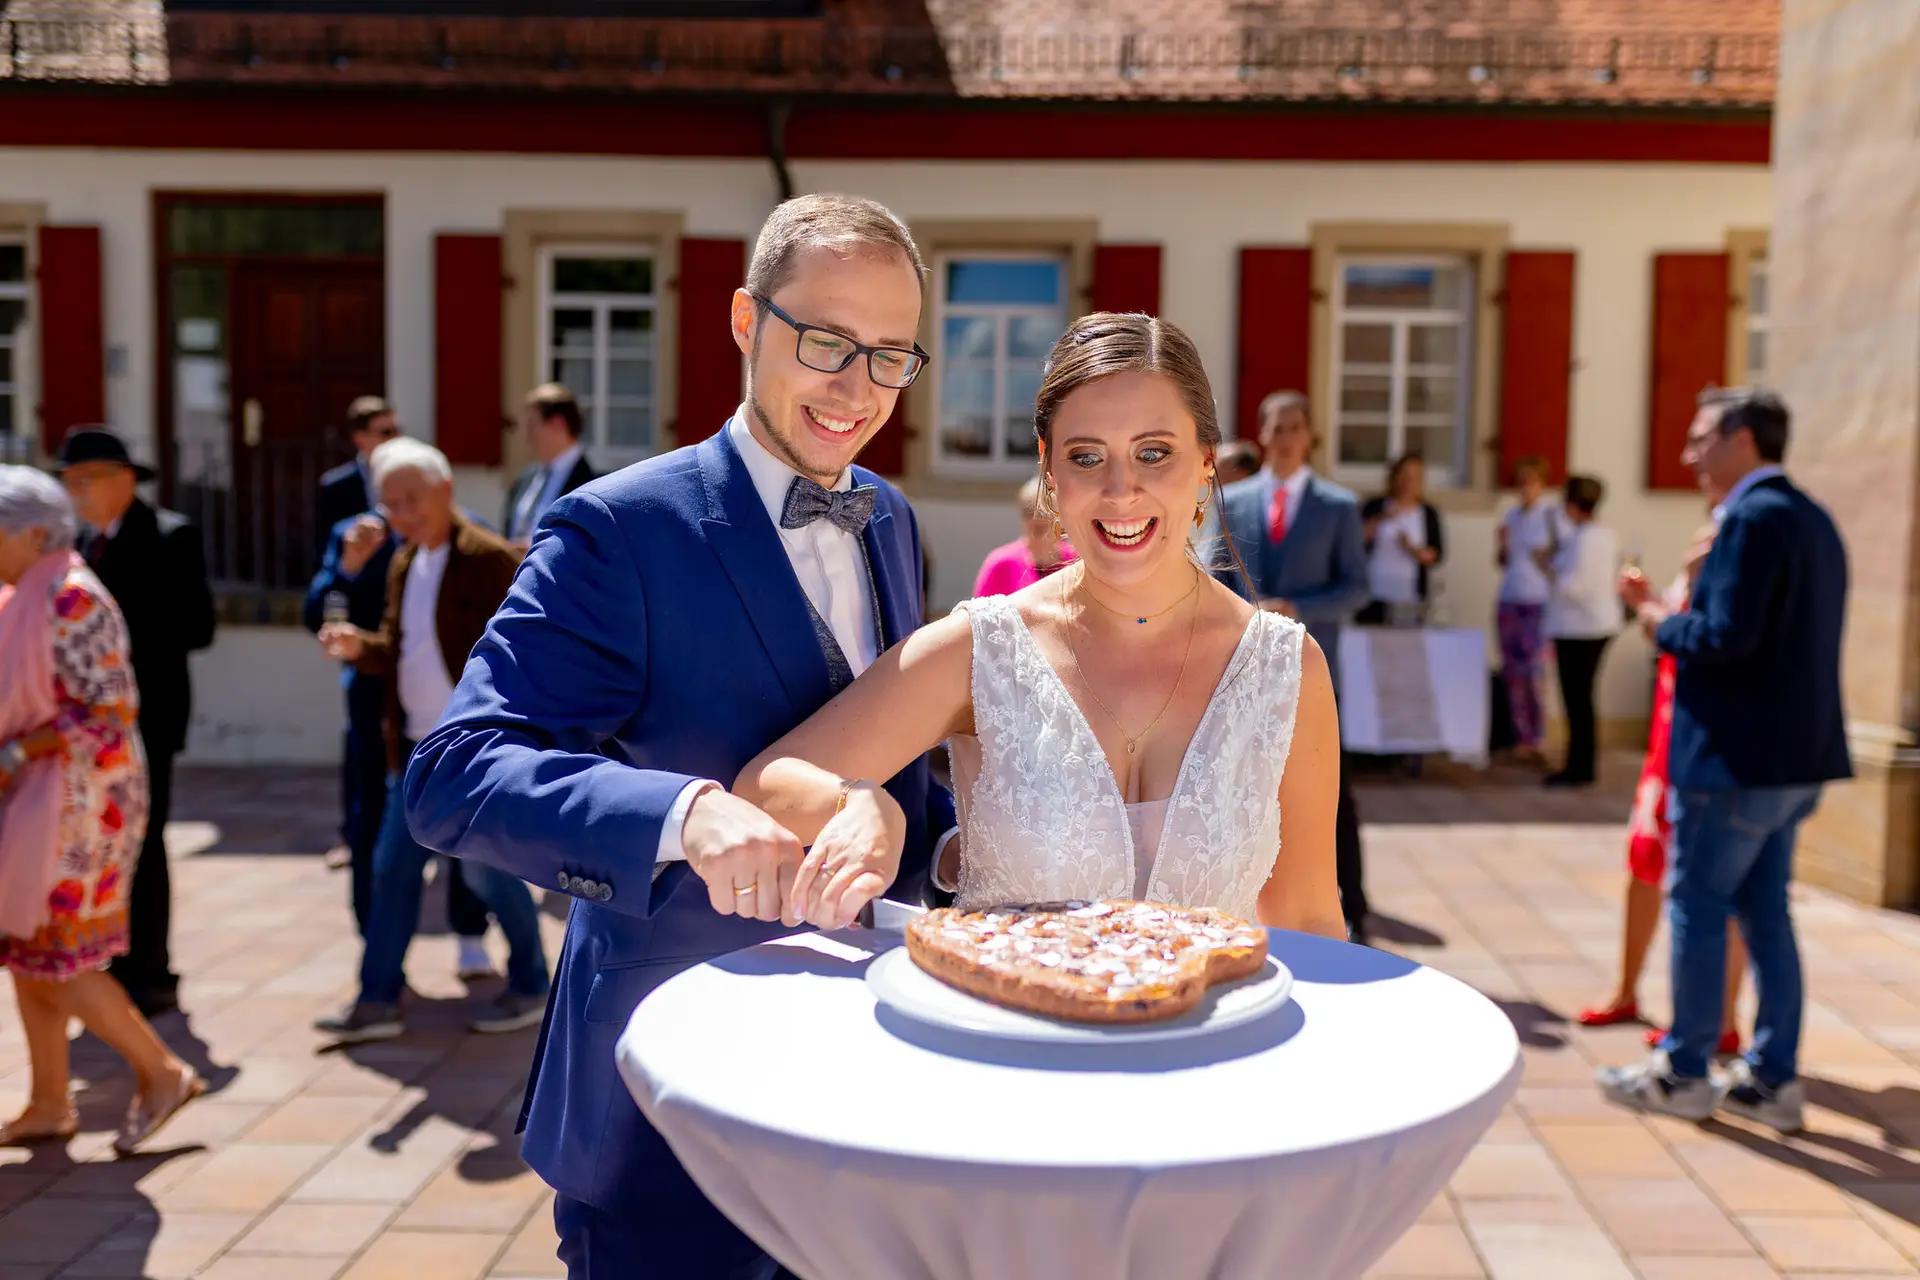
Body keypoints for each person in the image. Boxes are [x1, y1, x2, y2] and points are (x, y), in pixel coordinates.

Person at [404, 194, 956, 1280]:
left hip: (863, 1087)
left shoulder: (890, 519)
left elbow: (889, 759)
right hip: (663, 1100)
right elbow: (453, 771)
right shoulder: (620, 528)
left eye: (891, 355)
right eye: (827, 341)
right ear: (747, 321)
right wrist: (680, 811)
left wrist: (933, 850)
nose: (857, 387)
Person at [736, 313, 1345, 937]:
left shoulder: (1285, 668)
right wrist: (855, 804)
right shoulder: (982, 649)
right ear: (1050, 471)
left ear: (1207, 463)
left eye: (1154, 453)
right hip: (1001, 1029)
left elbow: (1307, 920)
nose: (1121, 490)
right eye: (1086, 457)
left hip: (1218, 1032)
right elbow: (760, 786)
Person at [1602, 388, 1850, 1133]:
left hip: (1734, 761)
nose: (1687, 454)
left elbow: (1722, 639)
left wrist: (1655, 618)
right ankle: (1773, 1079)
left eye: (1700, 436)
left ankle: (1684, 1070)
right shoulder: (1810, 516)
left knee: (1700, 909)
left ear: (1743, 438)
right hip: (1792, 759)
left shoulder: (1748, 518)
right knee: (1766, 914)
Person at [309, 439, 550, 1041]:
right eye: (391, 504)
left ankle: (532, 984)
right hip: (414, 752)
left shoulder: (488, 558)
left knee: (487, 875)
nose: (402, 514)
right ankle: (378, 998)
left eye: (412, 500)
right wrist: (360, 646)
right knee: (392, 871)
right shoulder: (402, 561)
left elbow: (529, 655)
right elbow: (398, 648)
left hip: (473, 754)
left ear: (445, 489)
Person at [0, 467, 203, 1152]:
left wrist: (19, 750)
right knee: (28, 948)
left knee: (60, 953)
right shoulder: (27, 593)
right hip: (44, 796)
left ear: (33, 533)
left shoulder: (72, 598)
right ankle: (51, 1102)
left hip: (82, 803)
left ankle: (163, 1070)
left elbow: (110, 713)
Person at [53, 427, 215, 1019]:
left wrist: (116, 654)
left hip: (148, 718)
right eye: (69, 484)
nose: (77, 494)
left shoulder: (171, 536)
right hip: (94, 726)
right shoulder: (82, 544)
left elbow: (198, 628)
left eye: (85, 481)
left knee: (143, 842)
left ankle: (152, 970)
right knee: (105, 841)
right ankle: (115, 961)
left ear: (124, 479)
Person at [1580, 511, 1747, 1055]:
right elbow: (1681, 626)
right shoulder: (1715, 537)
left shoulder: (1741, 548)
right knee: (1643, 864)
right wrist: (1653, 598)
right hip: (1669, 738)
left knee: (1720, 889)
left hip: (1706, 743)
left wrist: (1666, 597)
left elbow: (1716, 636)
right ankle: (1626, 991)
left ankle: (1720, 1021)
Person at [1213, 391, 1371, 943]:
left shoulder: (1339, 507)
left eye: (1295, 427)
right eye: (1276, 427)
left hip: (1314, 670)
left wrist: (1299, 609)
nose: (1285, 437)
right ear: (1261, 433)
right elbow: (1216, 578)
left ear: (1310, 436)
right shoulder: (1233, 500)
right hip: (1243, 668)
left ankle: (1354, 907)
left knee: (1330, 793)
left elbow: (1357, 588)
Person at [1539, 475, 1617, 789]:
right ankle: (1579, 764)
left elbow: (1574, 586)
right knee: (1580, 700)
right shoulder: (1599, 534)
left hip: (1581, 629)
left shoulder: (1587, 538)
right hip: (1589, 626)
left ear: (1572, 505)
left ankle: (1579, 767)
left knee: (1577, 700)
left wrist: (1546, 566)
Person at [1495, 456, 1561, 764]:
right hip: (1511, 597)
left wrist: (1544, 558)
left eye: (1530, 481)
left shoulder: (1551, 516)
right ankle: (1520, 737)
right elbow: (1502, 561)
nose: (1525, 487)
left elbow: (1560, 561)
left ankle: (1539, 738)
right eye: (1520, 481)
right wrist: (1502, 546)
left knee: (1536, 672)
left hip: (1538, 601)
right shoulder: (1511, 517)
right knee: (1514, 672)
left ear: (1541, 483)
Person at [504, 384, 599, 547]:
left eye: (532, 425)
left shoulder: (591, 484)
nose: (527, 436)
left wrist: (536, 549)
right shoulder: (525, 477)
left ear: (557, 424)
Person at [1359, 453, 1444, 626]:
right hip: (1373, 595)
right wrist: (1381, 519)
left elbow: (1435, 556)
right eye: (1403, 476)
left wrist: (1411, 548)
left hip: (1410, 598)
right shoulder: (1374, 506)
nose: (1408, 482)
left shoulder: (1428, 514)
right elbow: (1354, 540)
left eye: (1414, 478)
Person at [317, 396, 402, 551]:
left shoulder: (409, 477)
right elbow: (327, 545)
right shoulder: (336, 486)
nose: (395, 439)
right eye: (386, 432)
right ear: (359, 438)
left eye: (397, 431)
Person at [972, 474, 1076, 597]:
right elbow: (979, 613)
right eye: (1030, 513)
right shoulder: (1001, 564)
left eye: (1047, 513)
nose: (1038, 518)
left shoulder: (1077, 562)